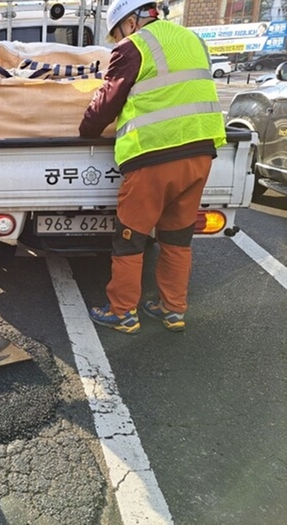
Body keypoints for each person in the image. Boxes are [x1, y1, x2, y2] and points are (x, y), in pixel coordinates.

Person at [79, 0, 226, 334]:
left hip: (155, 155)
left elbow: (108, 100)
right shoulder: (194, 40)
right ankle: (173, 310)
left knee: (130, 238)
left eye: (117, 33)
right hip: (201, 152)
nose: (118, 40)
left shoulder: (134, 47)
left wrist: (85, 130)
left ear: (131, 22)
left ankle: (122, 313)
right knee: (177, 237)